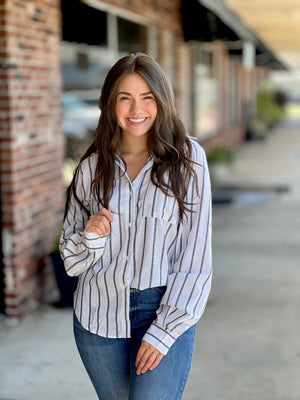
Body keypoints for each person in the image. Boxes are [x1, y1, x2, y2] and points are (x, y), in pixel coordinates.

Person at [59, 53, 212, 400]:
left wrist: (164, 331)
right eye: (124, 98)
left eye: (147, 97)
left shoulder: (188, 162)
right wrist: (91, 238)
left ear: (162, 101)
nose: (135, 109)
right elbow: (71, 262)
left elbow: (195, 260)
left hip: (162, 308)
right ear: (109, 104)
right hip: (98, 317)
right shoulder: (92, 169)